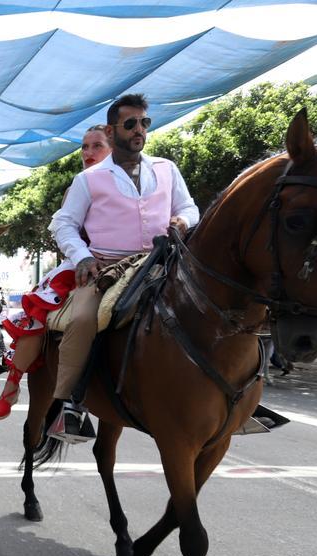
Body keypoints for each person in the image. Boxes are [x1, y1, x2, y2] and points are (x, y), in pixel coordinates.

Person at [46, 94, 198, 441]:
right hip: (106, 269)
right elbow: (63, 224)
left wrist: (184, 220)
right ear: (113, 133)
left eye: (145, 122)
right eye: (131, 124)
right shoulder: (89, 179)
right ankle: (70, 403)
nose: (140, 130)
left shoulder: (166, 168)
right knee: (84, 319)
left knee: (213, 303)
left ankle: (237, 395)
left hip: (163, 262)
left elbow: (191, 208)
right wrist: (82, 257)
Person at [0, 125, 112, 419]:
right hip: (84, 262)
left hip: (133, 259)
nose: (87, 153)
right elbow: (67, 229)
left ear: (113, 149)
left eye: (96, 146)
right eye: (84, 147)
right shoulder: (79, 185)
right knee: (41, 311)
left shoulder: (135, 181)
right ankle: (13, 382)